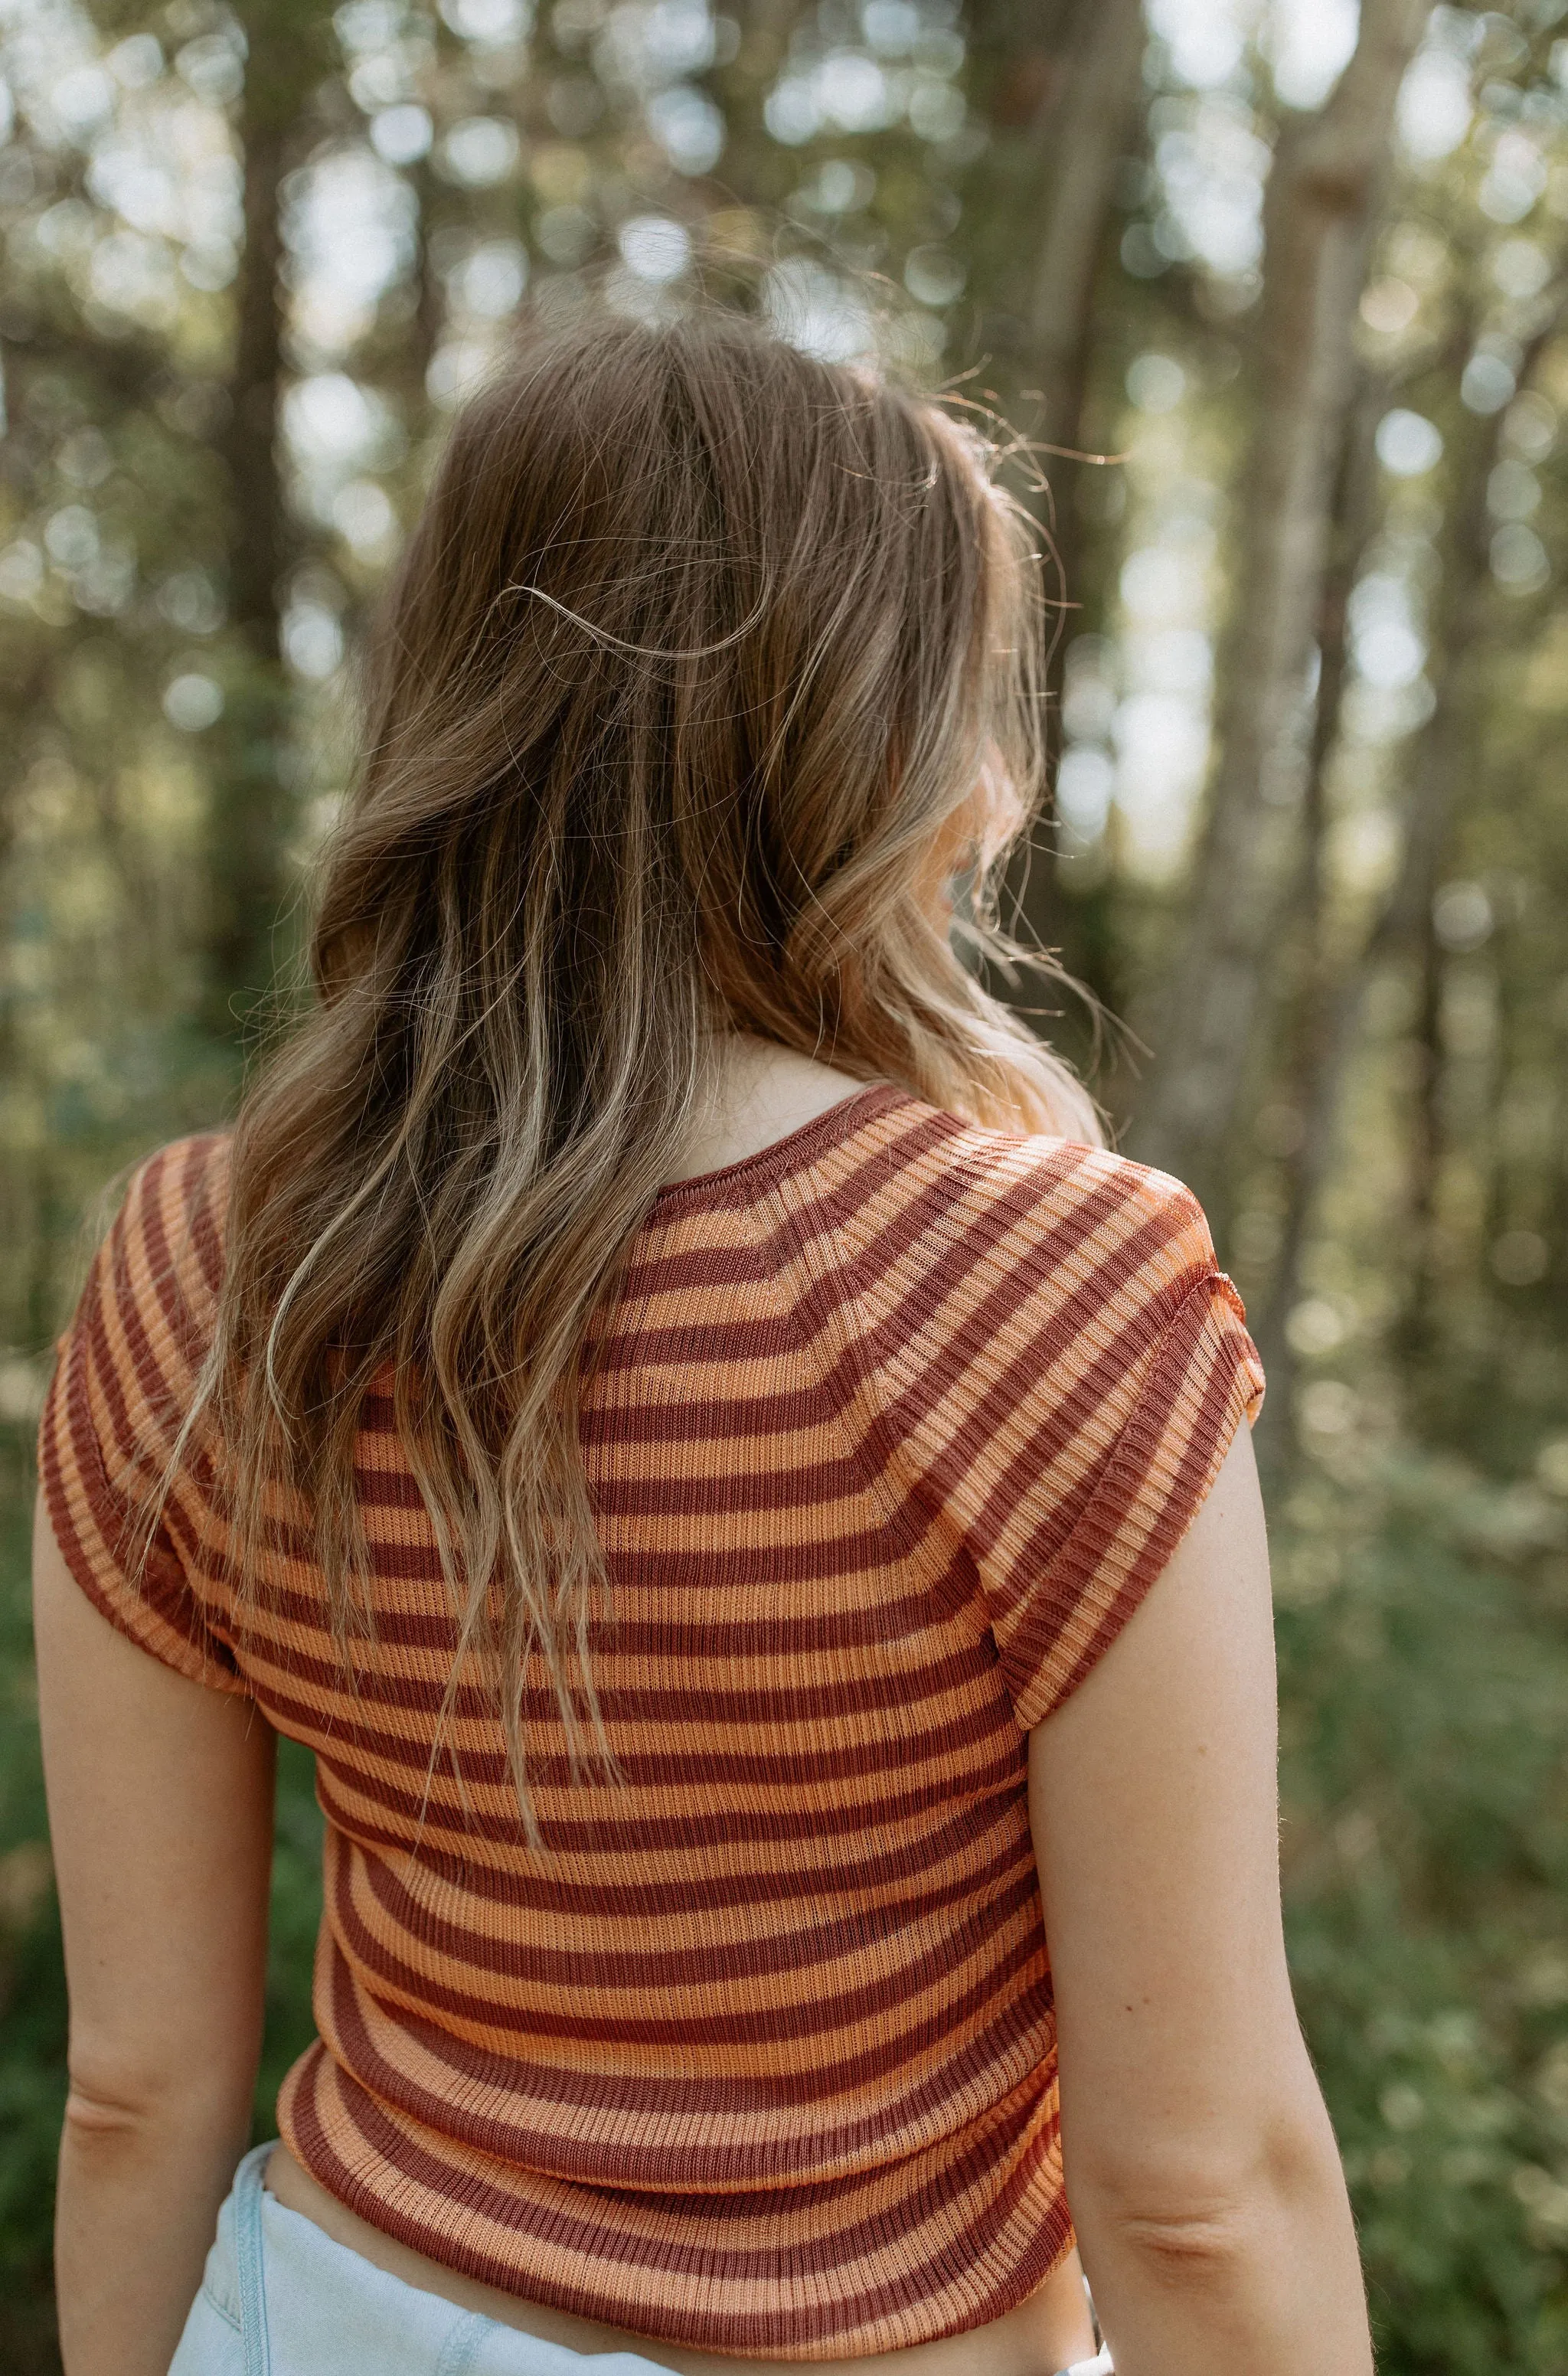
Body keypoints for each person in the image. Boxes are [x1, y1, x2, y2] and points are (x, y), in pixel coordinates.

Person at [34, 307, 1373, 2376]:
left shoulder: (200, 1273)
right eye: (958, 713)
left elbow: (135, 2086)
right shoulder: (1050, 1300)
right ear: (836, 748)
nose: (1001, 791)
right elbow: (1197, 2193)